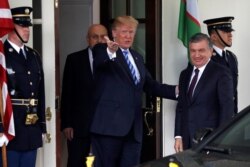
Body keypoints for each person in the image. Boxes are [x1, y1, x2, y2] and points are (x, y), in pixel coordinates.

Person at [90, 15, 178, 167]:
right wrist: (111, 52)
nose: (128, 36)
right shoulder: (102, 50)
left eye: (131, 32)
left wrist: (177, 91)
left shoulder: (137, 57)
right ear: (114, 33)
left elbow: (150, 85)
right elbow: (100, 62)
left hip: (133, 130)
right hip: (109, 129)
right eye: (124, 32)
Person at [1, 6, 46, 167]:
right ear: (11, 28)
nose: (27, 30)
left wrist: (42, 127)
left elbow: (40, 93)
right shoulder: (2, 55)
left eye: (28, 26)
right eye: (22, 26)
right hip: (10, 129)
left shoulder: (34, 56)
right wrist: (0, 129)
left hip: (31, 128)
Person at [174, 33, 234, 152]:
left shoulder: (222, 73)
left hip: (210, 140)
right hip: (186, 140)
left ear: (211, 51)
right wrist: (178, 136)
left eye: (201, 50)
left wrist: (218, 141)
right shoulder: (184, 74)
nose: (196, 55)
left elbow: (226, 110)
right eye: (193, 51)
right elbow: (181, 107)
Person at [60, 24, 108, 167]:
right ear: (88, 39)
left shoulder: (114, 60)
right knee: (76, 162)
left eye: (102, 37)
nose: (99, 41)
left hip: (106, 125)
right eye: (95, 37)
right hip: (79, 126)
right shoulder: (74, 60)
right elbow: (67, 93)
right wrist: (66, 123)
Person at [203, 17, 238, 114]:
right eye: (226, 32)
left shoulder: (231, 57)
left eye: (230, 31)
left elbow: (233, 93)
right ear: (214, 36)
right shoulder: (206, 58)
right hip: (213, 117)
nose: (230, 35)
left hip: (230, 115)